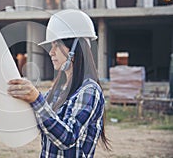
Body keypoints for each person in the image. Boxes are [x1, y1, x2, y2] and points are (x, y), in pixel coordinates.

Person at [8, 9, 110, 157]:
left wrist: (36, 99)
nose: (51, 52)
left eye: (57, 45)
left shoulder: (89, 91)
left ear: (75, 50)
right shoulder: (58, 90)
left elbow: (67, 138)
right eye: (51, 45)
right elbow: (38, 121)